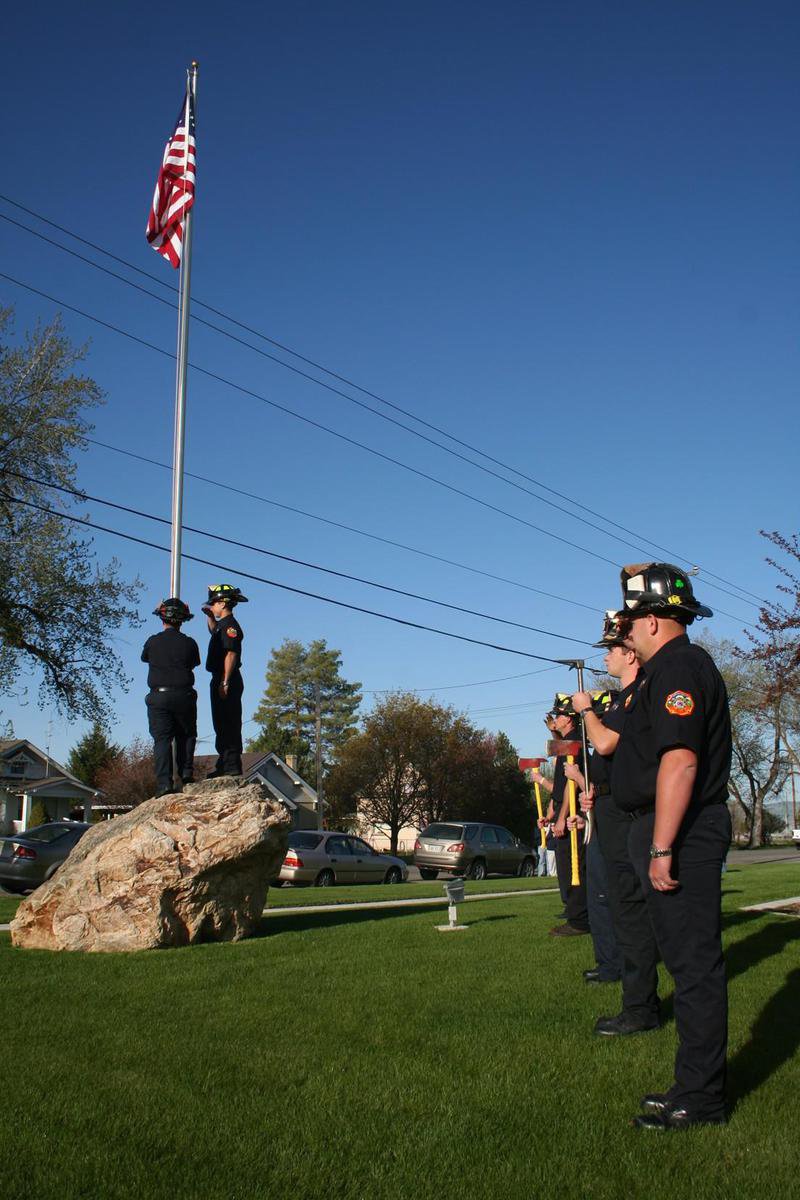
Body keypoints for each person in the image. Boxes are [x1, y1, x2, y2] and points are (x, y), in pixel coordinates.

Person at [610, 563, 732, 1131]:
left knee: (695, 968)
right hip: (662, 825)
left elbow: (680, 760)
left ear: (654, 621)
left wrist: (662, 848)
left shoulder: (679, 667)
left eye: (632, 620)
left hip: (680, 829)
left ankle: (703, 1100)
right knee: (686, 966)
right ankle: (691, 1084)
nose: (625, 632)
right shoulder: (668, 667)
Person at [570, 614, 662, 1018]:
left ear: (630, 654)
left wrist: (587, 710)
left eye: (611, 649)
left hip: (630, 815)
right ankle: (634, 992)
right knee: (619, 902)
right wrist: (595, 790)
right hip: (613, 807)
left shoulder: (637, 694)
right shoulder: (626, 698)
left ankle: (641, 998)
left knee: (629, 904)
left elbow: (606, 744)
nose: (605, 657)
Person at [563, 689, 622, 985]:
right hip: (598, 823)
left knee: (606, 897)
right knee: (597, 896)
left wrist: (579, 781)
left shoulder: (612, 745)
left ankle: (614, 964)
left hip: (614, 825)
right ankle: (607, 961)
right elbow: (599, 791)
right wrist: (584, 813)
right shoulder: (598, 751)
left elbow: (615, 788)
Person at [141, 598, 200, 797]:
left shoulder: (152, 641)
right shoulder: (190, 643)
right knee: (187, 735)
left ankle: (164, 784)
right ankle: (186, 774)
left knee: (162, 741)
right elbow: (193, 663)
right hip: (184, 694)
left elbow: (145, 657)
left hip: (159, 696)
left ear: (162, 617)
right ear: (183, 620)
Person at [544, 694, 590, 937]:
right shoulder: (566, 742)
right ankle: (574, 912)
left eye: (560, 715)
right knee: (565, 868)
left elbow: (569, 786)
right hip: (562, 811)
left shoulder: (576, 745)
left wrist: (561, 817)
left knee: (573, 867)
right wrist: (551, 812)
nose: (556, 719)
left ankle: (579, 920)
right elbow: (561, 784)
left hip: (572, 816)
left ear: (570, 719)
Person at [203, 583, 248, 778]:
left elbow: (231, 654)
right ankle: (224, 762)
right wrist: (210, 617)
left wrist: (225, 681)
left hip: (226, 678)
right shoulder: (222, 624)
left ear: (222, 603)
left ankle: (231, 765)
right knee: (220, 723)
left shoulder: (230, 626)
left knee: (229, 722)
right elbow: (214, 631)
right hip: (220, 677)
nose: (212, 607)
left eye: (213, 604)